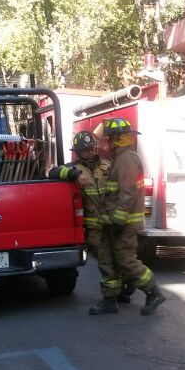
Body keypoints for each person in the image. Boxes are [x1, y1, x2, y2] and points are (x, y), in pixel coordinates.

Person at [94, 117, 166, 315]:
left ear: (117, 139)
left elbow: (127, 193)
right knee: (108, 261)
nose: (106, 143)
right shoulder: (119, 158)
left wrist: (117, 219)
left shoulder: (126, 159)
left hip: (124, 224)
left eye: (108, 139)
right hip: (114, 223)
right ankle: (110, 300)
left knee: (126, 261)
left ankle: (153, 292)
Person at [48, 131, 125, 314]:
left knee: (119, 259)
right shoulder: (72, 169)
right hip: (94, 228)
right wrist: (73, 175)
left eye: (92, 148)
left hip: (113, 221)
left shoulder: (108, 165)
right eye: (85, 150)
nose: (90, 152)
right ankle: (112, 297)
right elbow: (52, 172)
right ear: (77, 152)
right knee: (105, 262)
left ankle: (119, 292)